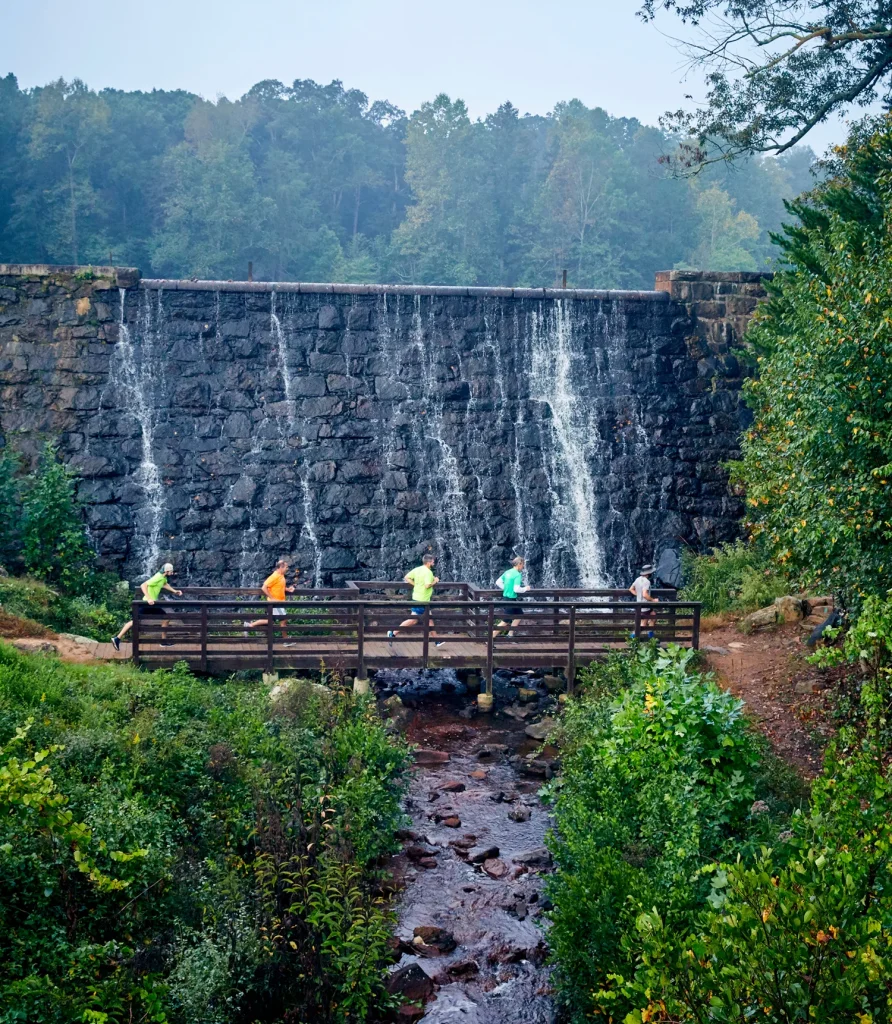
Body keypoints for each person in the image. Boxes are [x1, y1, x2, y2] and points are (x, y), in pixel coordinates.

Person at [112, 563, 183, 651]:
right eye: (171, 571)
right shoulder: (158, 577)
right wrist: (149, 598)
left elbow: (164, 584)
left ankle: (163, 641)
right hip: (146, 603)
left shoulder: (163, 577)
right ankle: (117, 638)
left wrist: (174, 591)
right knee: (134, 621)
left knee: (166, 618)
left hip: (152, 604)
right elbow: (143, 585)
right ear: (166, 571)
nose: (172, 573)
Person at [387, 553, 446, 646]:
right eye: (433, 561)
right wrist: (435, 581)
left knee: (429, 620)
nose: (434, 563)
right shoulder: (428, 572)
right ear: (429, 562)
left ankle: (437, 640)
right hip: (422, 600)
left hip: (418, 598)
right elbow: (427, 585)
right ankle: (393, 633)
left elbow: (406, 577)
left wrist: (416, 584)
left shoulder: (418, 569)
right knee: (413, 620)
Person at [246, 559, 297, 644]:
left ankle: (249, 625)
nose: (287, 569)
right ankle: (286, 641)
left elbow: (278, 587)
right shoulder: (275, 576)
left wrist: (288, 589)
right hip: (276, 604)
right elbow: (264, 587)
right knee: (283, 621)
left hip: (278, 603)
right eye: (286, 567)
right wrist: (272, 598)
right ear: (281, 567)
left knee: (270, 621)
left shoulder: (281, 575)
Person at [493, 556, 531, 637]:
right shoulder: (517, 574)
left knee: (519, 614)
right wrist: (525, 588)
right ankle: (490, 638)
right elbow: (516, 589)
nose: (523, 566)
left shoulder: (508, 572)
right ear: (519, 564)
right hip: (510, 600)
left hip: (507, 598)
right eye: (523, 564)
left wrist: (506, 588)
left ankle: (510, 634)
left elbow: (498, 582)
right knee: (505, 621)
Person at [629, 563, 659, 634]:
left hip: (643, 606)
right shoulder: (647, 582)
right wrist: (653, 600)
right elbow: (645, 594)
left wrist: (638, 595)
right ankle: (633, 639)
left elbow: (630, 589)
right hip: (644, 607)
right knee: (642, 625)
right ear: (649, 573)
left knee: (653, 616)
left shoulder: (637, 579)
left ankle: (650, 637)